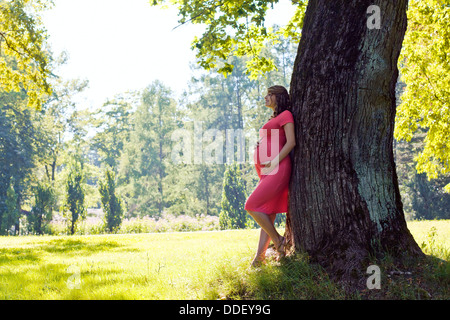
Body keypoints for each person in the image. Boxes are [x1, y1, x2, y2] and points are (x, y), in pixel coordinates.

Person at [244, 85, 296, 267]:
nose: (265, 97)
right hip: (267, 171)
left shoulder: (286, 115)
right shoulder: (274, 118)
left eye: (269, 94)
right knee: (268, 213)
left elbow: (291, 142)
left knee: (251, 205)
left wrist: (273, 161)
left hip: (278, 168)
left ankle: (278, 240)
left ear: (278, 97)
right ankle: (259, 259)